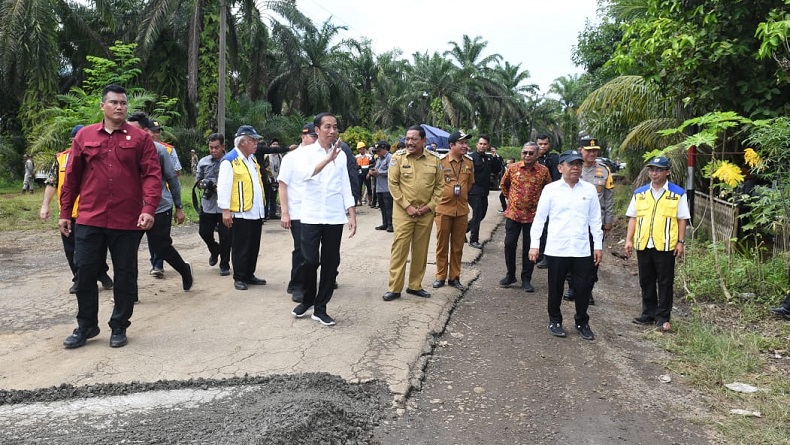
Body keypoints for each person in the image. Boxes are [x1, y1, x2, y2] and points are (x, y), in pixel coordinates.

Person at [59, 84, 162, 349]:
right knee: (84, 271)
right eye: (114, 102)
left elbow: (152, 175)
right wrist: (65, 212)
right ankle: (86, 325)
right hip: (89, 217)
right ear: (102, 106)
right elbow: (72, 177)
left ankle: (119, 325)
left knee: (125, 274)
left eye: (123, 103)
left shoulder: (140, 139)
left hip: (126, 220)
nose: (119, 107)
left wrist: (148, 208)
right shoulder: (84, 136)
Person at [289, 113, 357, 326]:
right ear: (317, 130)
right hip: (310, 215)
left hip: (334, 216)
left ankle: (321, 307)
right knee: (309, 261)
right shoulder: (305, 153)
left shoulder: (342, 155)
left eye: (335, 127)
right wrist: (328, 159)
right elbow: (305, 175)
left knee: (330, 263)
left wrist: (351, 213)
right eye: (327, 127)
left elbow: (345, 184)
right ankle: (308, 299)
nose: (332, 131)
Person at [528, 150, 603, 341]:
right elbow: (540, 219)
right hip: (557, 247)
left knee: (583, 288)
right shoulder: (551, 190)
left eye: (578, 164)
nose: (575, 168)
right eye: (571, 164)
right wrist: (535, 245)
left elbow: (595, 220)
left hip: (581, 248)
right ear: (561, 168)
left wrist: (598, 246)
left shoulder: (589, 190)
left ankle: (582, 322)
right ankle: (555, 320)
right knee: (555, 287)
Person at [40, 124, 113, 294]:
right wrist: (45, 205)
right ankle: (79, 279)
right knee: (72, 249)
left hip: (92, 212)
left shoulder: (98, 155)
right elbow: (52, 183)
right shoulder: (61, 159)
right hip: (69, 213)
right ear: (73, 140)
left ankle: (101, 273)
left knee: (98, 247)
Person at [128, 112, 193, 292]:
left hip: (159, 207)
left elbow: (172, 179)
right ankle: (130, 293)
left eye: (134, 129)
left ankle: (184, 270)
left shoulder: (159, 150)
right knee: (127, 250)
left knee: (161, 246)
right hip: (133, 210)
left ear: (145, 131)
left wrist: (179, 207)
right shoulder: (123, 149)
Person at [624, 156, 690, 332]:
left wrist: (680, 242)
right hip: (644, 242)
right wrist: (629, 239)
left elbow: (682, 219)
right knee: (646, 280)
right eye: (652, 170)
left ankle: (662, 317)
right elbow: (633, 218)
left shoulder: (677, 193)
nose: (654, 173)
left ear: (667, 172)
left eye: (659, 170)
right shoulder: (640, 193)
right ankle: (648, 313)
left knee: (665, 282)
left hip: (666, 245)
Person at [383, 125, 443, 301]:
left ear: (424, 140)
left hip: (425, 213)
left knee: (420, 250)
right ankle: (394, 288)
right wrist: (407, 206)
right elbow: (393, 184)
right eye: (407, 138)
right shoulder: (398, 158)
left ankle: (415, 286)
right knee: (400, 249)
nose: (409, 142)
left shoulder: (434, 160)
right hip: (403, 213)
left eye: (414, 139)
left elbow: (440, 186)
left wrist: (429, 206)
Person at [564, 136, 614, 305]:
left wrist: (608, 223)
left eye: (595, 151)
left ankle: (587, 290)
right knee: (571, 254)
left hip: (595, 223)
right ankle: (572, 287)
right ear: (581, 151)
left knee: (593, 259)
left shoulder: (604, 171)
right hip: (574, 222)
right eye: (589, 150)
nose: (592, 153)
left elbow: (608, 199)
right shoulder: (572, 168)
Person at [218, 125, 267, 291]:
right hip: (240, 212)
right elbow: (224, 187)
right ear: (242, 142)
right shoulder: (230, 160)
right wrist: (225, 210)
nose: (256, 143)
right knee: (241, 246)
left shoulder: (252, 159)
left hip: (255, 210)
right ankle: (239, 277)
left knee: (253, 245)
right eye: (253, 140)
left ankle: (249, 274)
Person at [499, 142, 552, 292]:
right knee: (509, 244)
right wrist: (511, 199)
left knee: (530, 248)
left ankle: (526, 279)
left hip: (533, 216)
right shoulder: (512, 168)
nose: (527, 155)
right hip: (513, 214)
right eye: (525, 152)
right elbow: (504, 185)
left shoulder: (543, 171)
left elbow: (549, 189)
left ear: (537, 154)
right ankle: (510, 275)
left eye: (531, 153)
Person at [279, 123, 318, 303]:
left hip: (316, 211)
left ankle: (304, 282)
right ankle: (298, 286)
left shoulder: (321, 156)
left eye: (317, 137)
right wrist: (285, 212)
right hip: (298, 212)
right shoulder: (291, 158)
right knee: (301, 250)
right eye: (312, 137)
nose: (315, 140)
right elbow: (283, 185)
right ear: (303, 137)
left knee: (313, 251)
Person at [433, 130, 475, 291]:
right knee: (442, 245)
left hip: (462, 210)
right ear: (452, 145)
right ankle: (440, 276)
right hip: (443, 209)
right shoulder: (441, 162)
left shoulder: (469, 163)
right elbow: (433, 184)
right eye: (461, 143)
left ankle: (454, 277)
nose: (465, 146)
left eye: (465, 143)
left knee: (458, 246)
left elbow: (469, 184)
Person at [195, 133, 231, 276]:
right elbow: (197, 182)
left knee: (225, 236)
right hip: (208, 204)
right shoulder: (203, 162)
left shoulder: (231, 161)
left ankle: (224, 264)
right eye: (211, 147)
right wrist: (205, 184)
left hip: (226, 206)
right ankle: (215, 249)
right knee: (204, 232)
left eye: (217, 147)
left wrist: (218, 188)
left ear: (223, 146)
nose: (213, 150)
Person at [467, 134, 501, 249]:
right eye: (480, 144)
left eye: (485, 144)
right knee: (477, 214)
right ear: (477, 144)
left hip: (484, 191)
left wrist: (495, 157)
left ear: (488, 146)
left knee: (482, 214)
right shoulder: (470, 158)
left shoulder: (489, 158)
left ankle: (463, 230)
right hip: (473, 190)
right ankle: (474, 240)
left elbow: (497, 169)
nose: (482, 146)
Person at [535, 134, 560, 269]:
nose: (543, 146)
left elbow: (556, 179)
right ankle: (538, 253)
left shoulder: (554, 159)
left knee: (547, 228)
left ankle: (546, 256)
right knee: (536, 227)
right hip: (534, 198)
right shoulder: (533, 157)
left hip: (549, 198)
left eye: (545, 144)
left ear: (549, 145)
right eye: (540, 144)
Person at [253, 137, 291, 220]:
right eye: (274, 144)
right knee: (266, 196)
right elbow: (266, 167)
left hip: (276, 177)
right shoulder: (267, 156)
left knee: (273, 197)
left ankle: (272, 213)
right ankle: (264, 214)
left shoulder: (279, 156)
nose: (275, 146)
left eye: (277, 144)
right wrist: (269, 177)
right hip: (268, 178)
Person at [370, 141, 394, 232]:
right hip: (379, 187)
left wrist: (379, 172)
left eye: (379, 151)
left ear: (384, 149)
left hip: (387, 187)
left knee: (389, 207)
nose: (377, 153)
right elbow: (377, 169)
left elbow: (392, 171)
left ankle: (390, 225)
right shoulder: (379, 159)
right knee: (382, 207)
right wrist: (372, 171)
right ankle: (385, 223)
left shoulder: (390, 157)